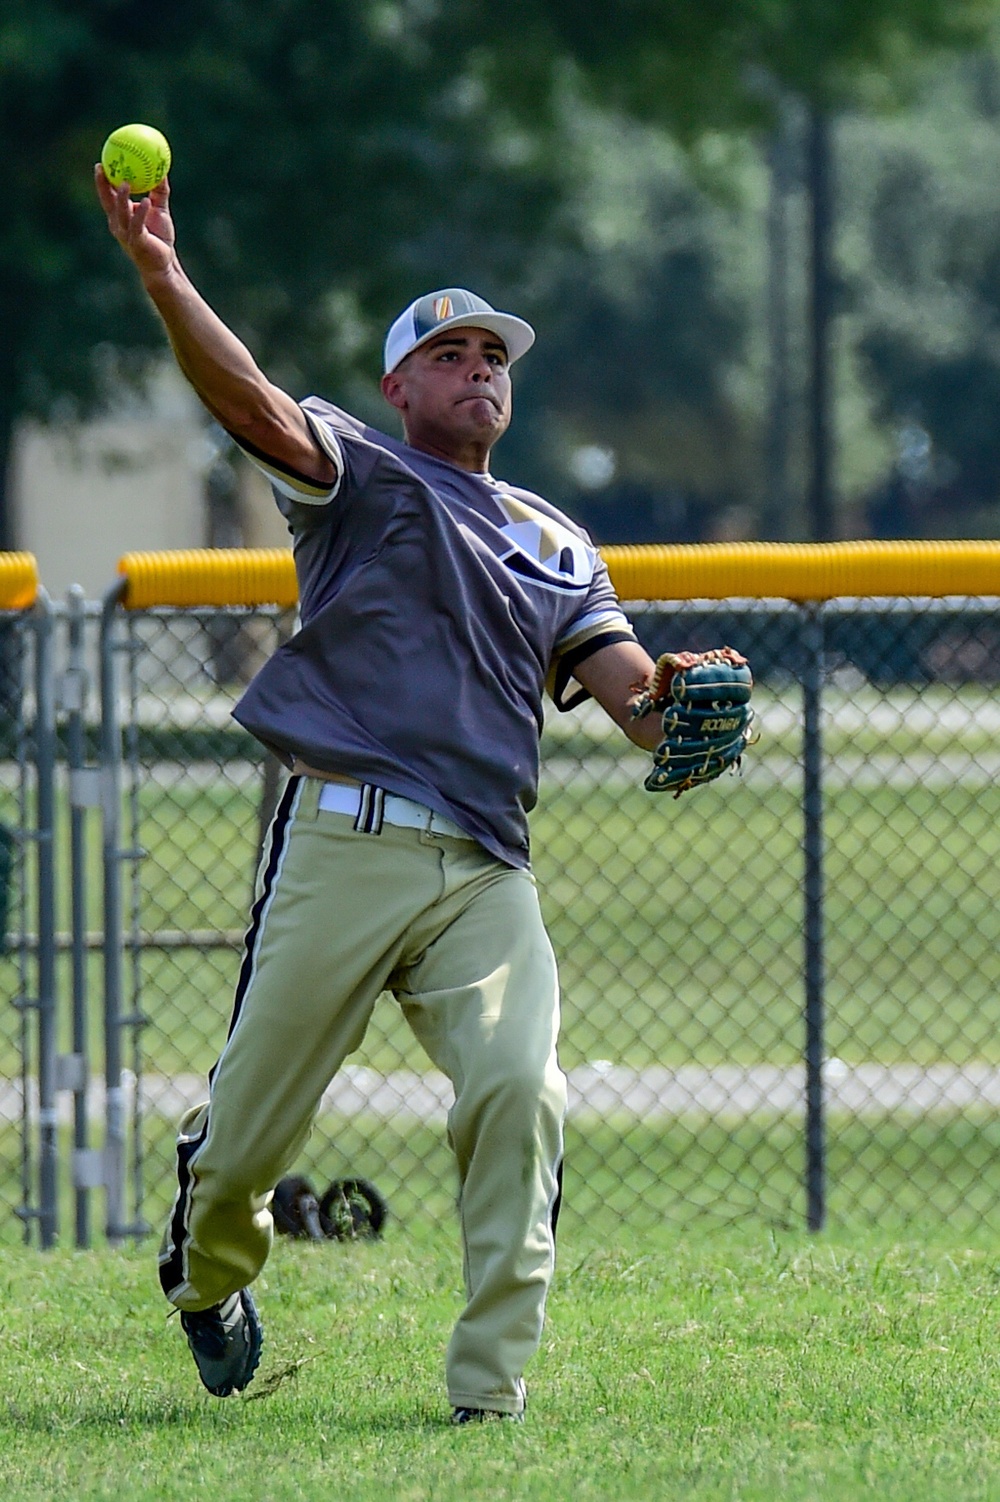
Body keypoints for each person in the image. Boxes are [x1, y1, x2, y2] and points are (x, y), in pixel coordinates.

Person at [95, 163, 665, 1423]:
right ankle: (205, 1276)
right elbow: (245, 398)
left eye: (493, 356)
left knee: (524, 1090)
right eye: (450, 354)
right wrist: (164, 275)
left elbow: (627, 693)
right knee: (244, 1143)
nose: (480, 371)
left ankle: (487, 1394)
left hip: (483, 868)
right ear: (399, 385)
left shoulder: (557, 537)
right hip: (342, 841)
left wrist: (670, 701)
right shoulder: (355, 475)